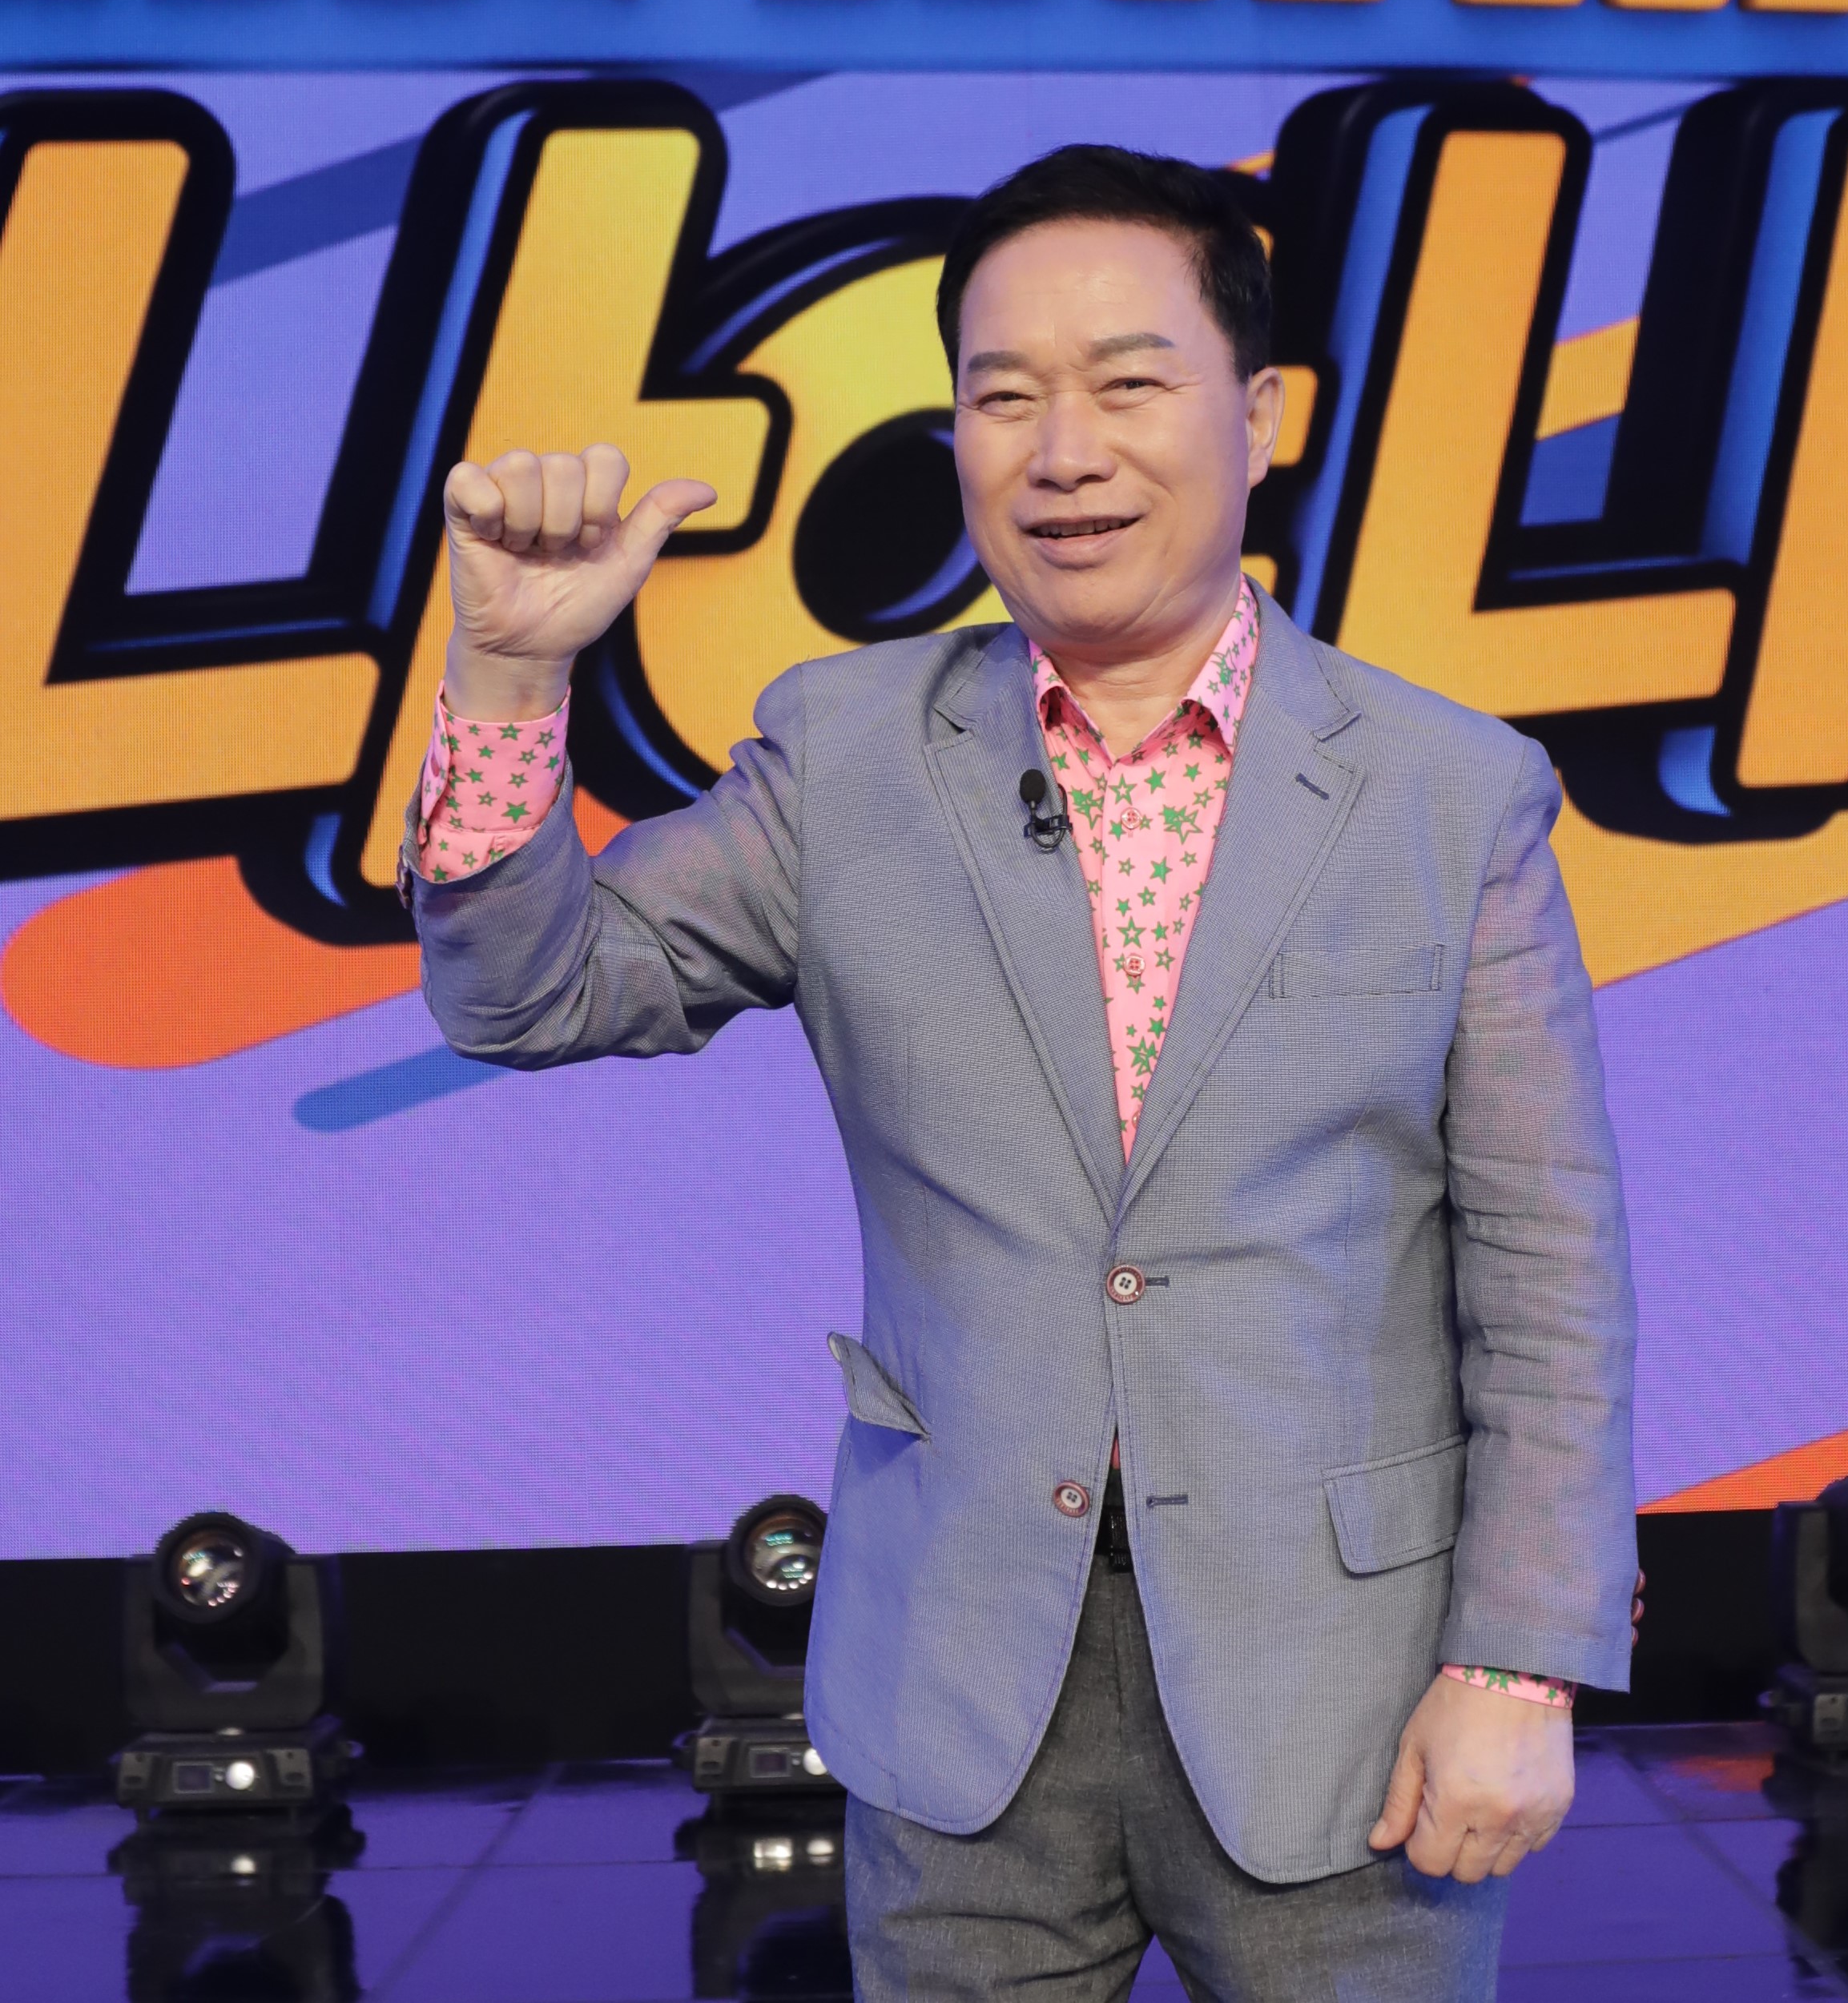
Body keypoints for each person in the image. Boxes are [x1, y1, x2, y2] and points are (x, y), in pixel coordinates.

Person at [406, 146, 1638, 2000]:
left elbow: (1547, 1271)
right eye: (1001, 396)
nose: (1062, 452)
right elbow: (528, 997)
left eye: (1127, 382)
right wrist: (507, 679)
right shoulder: (845, 756)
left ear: (1260, 412)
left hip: (1346, 1694)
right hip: (962, 1684)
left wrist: (1517, 1660)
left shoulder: (1448, 791)